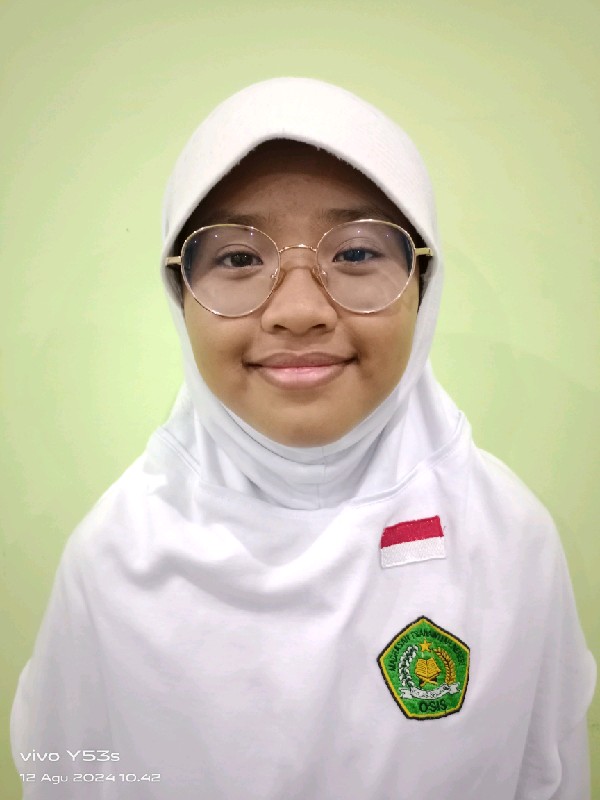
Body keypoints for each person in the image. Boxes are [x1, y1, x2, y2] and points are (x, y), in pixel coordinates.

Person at [11, 77, 595, 799]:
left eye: (356, 253)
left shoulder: (507, 540)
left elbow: (548, 775)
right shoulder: (114, 560)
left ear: (424, 284)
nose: (297, 310)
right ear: (178, 295)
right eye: (237, 258)